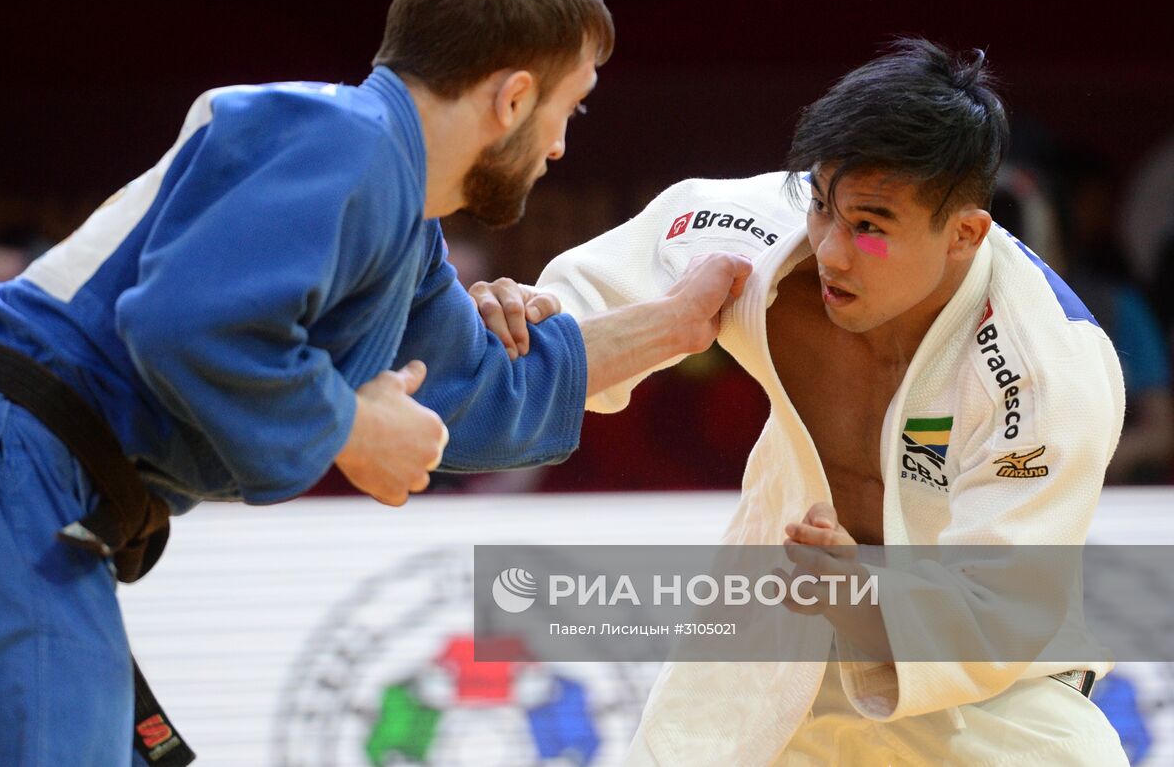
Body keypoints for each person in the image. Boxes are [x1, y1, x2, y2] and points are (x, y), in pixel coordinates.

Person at [0, 0, 751, 767]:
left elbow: (485, 395)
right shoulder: (339, 135)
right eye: (567, 109)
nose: (560, 148)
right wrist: (346, 426)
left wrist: (682, 318)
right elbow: (182, 324)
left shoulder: (398, 227)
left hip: (7, 489)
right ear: (510, 97)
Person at [477, 39, 1127, 764]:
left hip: (992, 694)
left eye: (871, 227)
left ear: (965, 234)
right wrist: (523, 313)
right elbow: (579, 314)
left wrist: (864, 599)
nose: (832, 251)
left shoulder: (1045, 368)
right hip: (778, 643)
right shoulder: (747, 231)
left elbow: (998, 613)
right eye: (822, 205)